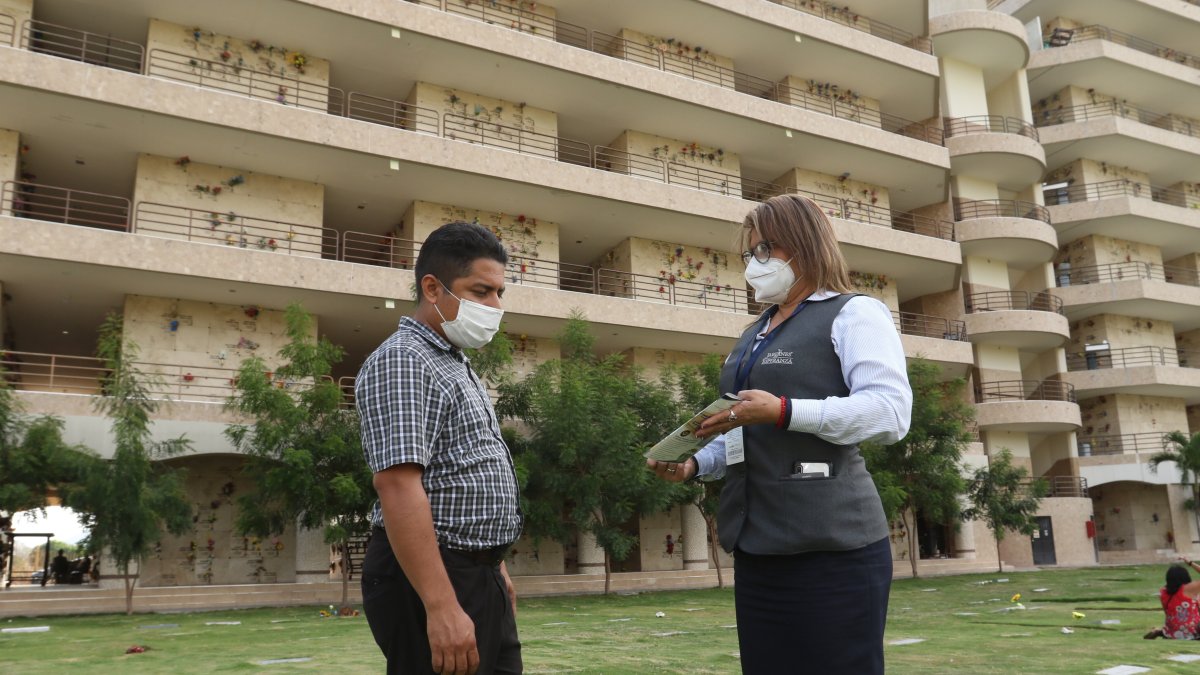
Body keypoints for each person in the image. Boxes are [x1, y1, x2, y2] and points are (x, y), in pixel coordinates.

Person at [646, 194, 912, 674]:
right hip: (759, 546)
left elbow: (890, 414)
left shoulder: (855, 314)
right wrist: (694, 463)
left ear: (804, 245)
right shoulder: (754, 332)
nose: (755, 264)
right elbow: (744, 432)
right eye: (750, 254)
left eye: (766, 249)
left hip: (834, 549)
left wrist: (785, 410)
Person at [357, 221, 523, 675]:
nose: (494, 306)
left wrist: (493, 564)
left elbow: (458, 472)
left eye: (499, 294)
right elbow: (397, 485)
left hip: (475, 571)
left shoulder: (450, 360)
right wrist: (441, 605)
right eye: (481, 291)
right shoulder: (405, 359)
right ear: (433, 287)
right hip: (435, 577)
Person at [1146, 559, 1200, 639]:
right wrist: (1190, 563)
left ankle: (1161, 631)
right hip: (1192, 632)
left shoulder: (1162, 592)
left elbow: (1168, 613)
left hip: (1171, 632)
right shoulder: (1188, 589)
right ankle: (1160, 631)